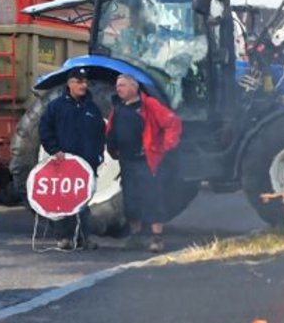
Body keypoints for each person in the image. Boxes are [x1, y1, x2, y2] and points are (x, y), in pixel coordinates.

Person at [105, 72, 183, 252]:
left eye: (123, 85)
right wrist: (112, 148)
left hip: (145, 161)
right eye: (117, 85)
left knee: (152, 198)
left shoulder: (149, 105)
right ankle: (135, 236)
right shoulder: (117, 108)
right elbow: (111, 130)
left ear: (134, 87)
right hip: (126, 160)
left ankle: (157, 238)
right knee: (131, 199)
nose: (118, 89)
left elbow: (172, 122)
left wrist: (163, 146)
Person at [38, 67, 106, 250]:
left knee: (84, 201)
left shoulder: (92, 108)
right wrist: (55, 150)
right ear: (70, 84)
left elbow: (101, 134)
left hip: (86, 163)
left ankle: (85, 238)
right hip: (64, 162)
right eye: (79, 82)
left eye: (85, 82)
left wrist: (98, 155)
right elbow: (45, 130)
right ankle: (64, 238)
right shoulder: (56, 107)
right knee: (64, 199)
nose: (83, 86)